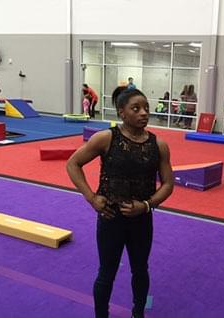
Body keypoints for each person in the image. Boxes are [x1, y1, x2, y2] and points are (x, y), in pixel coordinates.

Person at [66, 87, 174, 318]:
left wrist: (146, 205)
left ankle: (138, 313)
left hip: (141, 219)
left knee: (140, 270)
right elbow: (73, 164)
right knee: (106, 272)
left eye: (146, 108)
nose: (144, 113)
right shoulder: (106, 138)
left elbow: (168, 184)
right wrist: (92, 198)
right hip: (110, 217)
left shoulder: (159, 145)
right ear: (121, 113)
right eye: (136, 108)